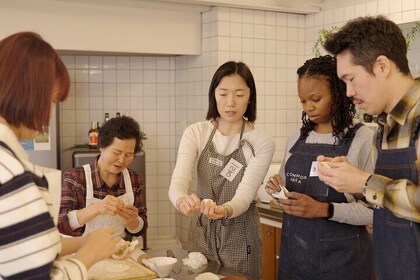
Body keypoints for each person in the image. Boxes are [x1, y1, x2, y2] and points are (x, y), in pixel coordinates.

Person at [0, 32, 125, 279]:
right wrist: (89, 254)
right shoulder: (11, 172)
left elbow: (23, 247)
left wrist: (85, 243)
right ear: (29, 93)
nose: (48, 115)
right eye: (52, 100)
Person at [317, 16, 420, 279]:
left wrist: (365, 183)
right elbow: (390, 204)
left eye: (351, 79)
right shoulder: (385, 125)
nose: (348, 92)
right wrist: (349, 181)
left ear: (382, 65)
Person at [265, 55, 374, 280]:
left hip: (343, 264)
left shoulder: (362, 138)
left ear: (338, 91)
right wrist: (277, 191)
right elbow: (285, 196)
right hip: (294, 260)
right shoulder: (296, 139)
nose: (308, 108)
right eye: (303, 101)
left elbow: (373, 212)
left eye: (316, 98)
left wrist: (323, 209)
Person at [168, 61, 275, 280]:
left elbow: (244, 197)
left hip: (240, 235)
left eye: (239, 94)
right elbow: (178, 181)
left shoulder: (261, 142)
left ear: (250, 96)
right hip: (201, 233)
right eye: (223, 93)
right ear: (213, 94)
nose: (230, 103)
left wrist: (224, 210)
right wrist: (181, 200)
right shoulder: (196, 132)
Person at [58, 115, 147, 240]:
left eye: (128, 155)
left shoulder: (133, 179)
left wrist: (134, 221)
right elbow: (61, 224)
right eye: (116, 153)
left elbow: (140, 229)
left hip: (119, 252)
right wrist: (97, 208)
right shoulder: (75, 178)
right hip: (83, 254)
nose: (121, 160)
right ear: (101, 147)